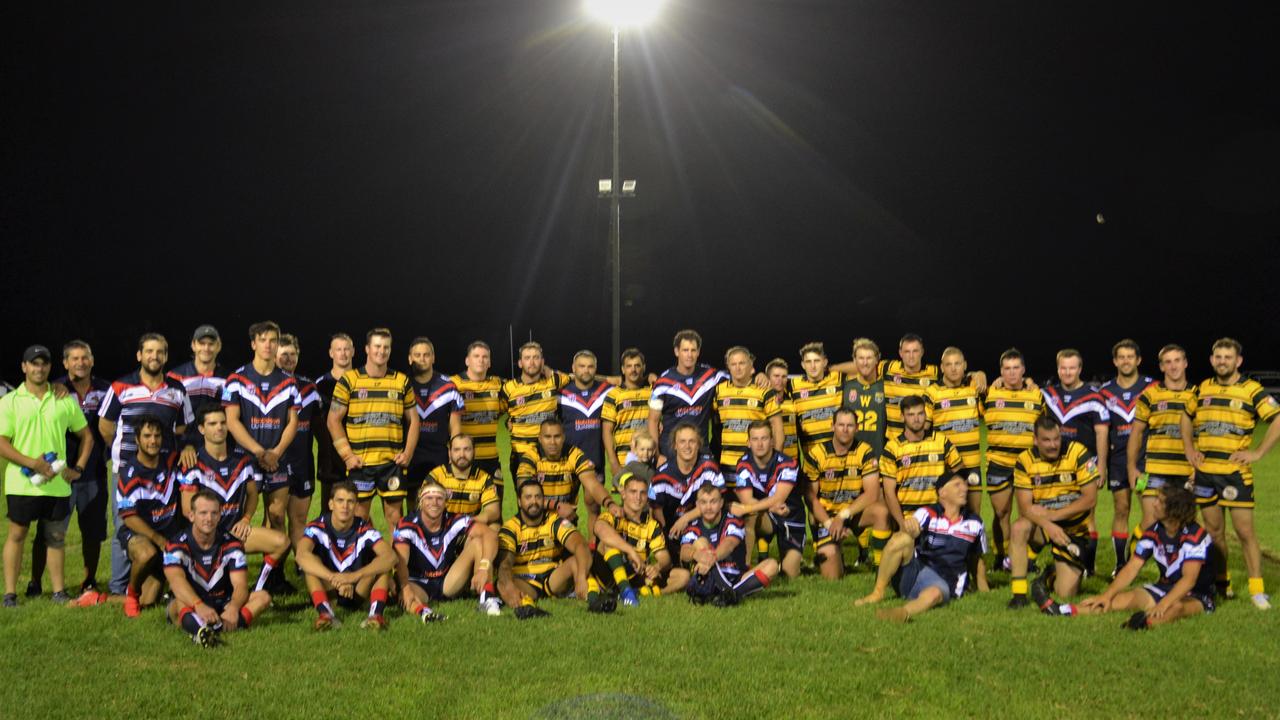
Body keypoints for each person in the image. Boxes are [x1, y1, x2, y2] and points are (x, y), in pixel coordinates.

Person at [1181, 337, 1280, 609]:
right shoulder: (1202, 389)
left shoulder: (1251, 390)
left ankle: (1257, 590)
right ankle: (1222, 585)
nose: (1222, 361)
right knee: (1214, 533)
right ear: (1212, 360)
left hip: (1235, 475)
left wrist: (1258, 452)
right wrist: (1189, 449)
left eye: (1228, 357)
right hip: (1205, 474)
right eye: (1218, 357)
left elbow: (1277, 419)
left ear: (1238, 361)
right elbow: (1186, 417)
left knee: (1245, 532)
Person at [1033, 486, 1217, 629]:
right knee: (1117, 601)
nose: (1154, 504)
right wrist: (1106, 594)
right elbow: (1132, 567)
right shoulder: (1154, 530)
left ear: (1173, 510)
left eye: (1160, 502)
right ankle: (1060, 610)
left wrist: (1164, 604)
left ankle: (1142, 625)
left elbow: (1189, 580)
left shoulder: (1195, 536)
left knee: (1175, 608)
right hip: (1163, 587)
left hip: (1197, 596)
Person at [100, 332, 194, 598]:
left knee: (164, 521)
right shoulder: (121, 386)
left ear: (165, 356)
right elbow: (106, 427)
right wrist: (124, 456)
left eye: (160, 352)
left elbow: (184, 426)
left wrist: (185, 446)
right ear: (139, 355)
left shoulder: (177, 389)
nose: (155, 356)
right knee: (125, 525)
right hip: (127, 469)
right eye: (149, 351)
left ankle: (158, 579)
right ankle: (119, 588)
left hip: (164, 470)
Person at [0, 345, 94, 607]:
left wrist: (79, 468)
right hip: (22, 482)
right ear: (24, 367)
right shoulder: (9, 401)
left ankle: (58, 591)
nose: (38, 368)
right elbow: (2, 443)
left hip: (56, 484)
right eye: (33, 364)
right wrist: (32, 463)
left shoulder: (63, 398)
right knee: (17, 535)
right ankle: (10, 594)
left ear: (50, 368)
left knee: (55, 537)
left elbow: (86, 436)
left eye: (43, 364)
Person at [221, 321, 300, 592]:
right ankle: (226, 572)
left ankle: (270, 579)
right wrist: (257, 451)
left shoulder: (288, 382)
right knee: (239, 518)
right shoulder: (237, 379)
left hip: (278, 459)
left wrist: (276, 452)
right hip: (245, 459)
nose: (268, 345)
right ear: (253, 344)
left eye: (273, 340)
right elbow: (232, 421)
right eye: (263, 340)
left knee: (277, 515)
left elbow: (293, 422)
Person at [178, 406, 289, 594]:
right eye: (212, 424)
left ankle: (259, 588)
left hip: (236, 534)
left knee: (282, 542)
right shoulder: (193, 465)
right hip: (207, 538)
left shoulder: (242, 461)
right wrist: (214, 533)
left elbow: (253, 494)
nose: (219, 428)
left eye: (222, 423)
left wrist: (246, 518)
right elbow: (187, 510)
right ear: (202, 429)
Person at [32, 340, 110, 603]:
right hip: (59, 474)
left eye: (84, 357)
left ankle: (89, 580)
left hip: (94, 472)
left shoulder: (105, 390)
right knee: (49, 531)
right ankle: (35, 581)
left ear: (92, 361)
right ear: (65, 363)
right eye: (74, 358)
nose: (80, 362)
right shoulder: (53, 389)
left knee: (92, 532)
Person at [854, 473, 989, 622]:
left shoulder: (975, 523)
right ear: (942, 492)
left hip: (944, 583)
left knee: (934, 593)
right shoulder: (928, 513)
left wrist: (984, 591)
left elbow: (977, 559)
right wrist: (912, 529)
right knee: (901, 539)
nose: (964, 488)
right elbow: (913, 527)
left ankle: (902, 613)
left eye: (964, 484)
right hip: (915, 573)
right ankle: (878, 593)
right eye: (957, 485)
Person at [326, 327, 419, 526]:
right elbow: (332, 420)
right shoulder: (349, 380)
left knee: (395, 518)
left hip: (391, 463)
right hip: (361, 463)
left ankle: (397, 558)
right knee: (359, 517)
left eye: (386, 347)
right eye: (377, 346)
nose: (381, 351)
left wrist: (408, 453)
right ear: (367, 349)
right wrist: (348, 456)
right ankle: (369, 556)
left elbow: (414, 420)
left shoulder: (401, 381)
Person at [1007, 415, 1099, 609]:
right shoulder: (1025, 460)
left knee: (1065, 593)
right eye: (1046, 440)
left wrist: (1053, 517)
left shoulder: (1077, 452)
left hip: (1073, 529)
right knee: (1019, 527)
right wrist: (1048, 525)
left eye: (1056, 439)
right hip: (1043, 526)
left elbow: (1089, 499)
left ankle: (1046, 576)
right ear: (1035, 440)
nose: (1053, 445)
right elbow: (1025, 507)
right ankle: (1019, 594)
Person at [163, 489, 272, 647]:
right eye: (203, 513)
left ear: (220, 515)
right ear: (191, 516)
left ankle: (213, 628)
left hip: (223, 602)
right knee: (179, 602)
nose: (209, 518)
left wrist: (234, 608)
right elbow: (176, 582)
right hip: (191, 601)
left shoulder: (232, 544)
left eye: (214, 513)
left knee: (263, 597)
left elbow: (240, 585)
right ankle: (200, 631)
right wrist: (199, 605)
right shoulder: (175, 545)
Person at [1041, 348, 1109, 576]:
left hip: (1085, 464)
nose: (1067, 372)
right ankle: (1062, 559)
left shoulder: (1093, 396)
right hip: (1055, 464)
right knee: (1055, 509)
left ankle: (1088, 565)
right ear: (1058, 369)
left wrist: (1101, 467)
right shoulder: (1048, 394)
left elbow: (1101, 433)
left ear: (1080, 369)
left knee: (1086, 515)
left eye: (1072, 368)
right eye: (1063, 367)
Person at [393, 480, 501, 622]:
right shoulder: (406, 524)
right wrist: (405, 587)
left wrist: (484, 567)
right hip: (419, 582)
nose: (434, 503)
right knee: (405, 592)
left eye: (439, 498)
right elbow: (400, 561)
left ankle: (487, 598)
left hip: (448, 581)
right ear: (421, 501)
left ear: (446, 502)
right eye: (429, 498)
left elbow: (490, 535)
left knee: (478, 541)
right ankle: (425, 613)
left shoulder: (454, 519)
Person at [296, 481, 397, 631]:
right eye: (340, 501)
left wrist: (353, 577)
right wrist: (334, 578)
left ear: (356, 506)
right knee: (311, 561)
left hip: (357, 590)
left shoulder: (364, 528)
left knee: (382, 564)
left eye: (350, 502)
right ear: (331, 504)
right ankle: (325, 614)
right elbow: (301, 556)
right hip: (330, 588)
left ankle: (376, 616)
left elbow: (391, 557)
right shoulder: (317, 526)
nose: (345, 506)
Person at [803, 408, 891, 580]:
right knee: (833, 577)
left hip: (852, 513)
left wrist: (843, 516)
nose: (845, 429)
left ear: (857, 428)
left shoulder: (865, 451)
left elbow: (872, 493)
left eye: (850, 425)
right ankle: (834, 552)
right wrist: (830, 523)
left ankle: (881, 568)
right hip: (826, 517)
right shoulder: (816, 453)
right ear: (832, 426)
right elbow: (810, 498)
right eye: (841, 425)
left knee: (881, 512)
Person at [115, 415, 184, 617]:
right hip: (140, 535)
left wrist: (188, 449)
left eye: (157, 436)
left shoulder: (171, 460)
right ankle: (131, 592)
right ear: (137, 440)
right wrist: (158, 540)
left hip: (168, 537)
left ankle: (96, 598)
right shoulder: (129, 473)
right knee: (146, 554)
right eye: (147, 436)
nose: (153, 441)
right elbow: (128, 517)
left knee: (149, 602)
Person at [982, 348, 1043, 570]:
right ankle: (1001, 557)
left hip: (1029, 464)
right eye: (1007, 369)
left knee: (1030, 513)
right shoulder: (990, 394)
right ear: (1001, 372)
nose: (1012, 373)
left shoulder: (1036, 395)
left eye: (1016, 368)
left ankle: (1028, 558)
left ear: (1024, 370)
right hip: (998, 462)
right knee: (1001, 513)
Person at [496, 479, 594, 618]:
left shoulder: (554, 521)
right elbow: (505, 564)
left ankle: (595, 599)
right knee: (504, 582)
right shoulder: (510, 528)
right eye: (528, 497)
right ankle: (528, 608)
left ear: (543, 500)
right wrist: (508, 585)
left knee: (577, 560)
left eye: (538, 497)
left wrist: (581, 576)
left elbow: (580, 544)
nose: (534, 502)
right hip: (525, 581)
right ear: (519, 501)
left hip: (553, 579)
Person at [1098, 339, 1155, 576]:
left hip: (1145, 461)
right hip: (1118, 462)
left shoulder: (1153, 388)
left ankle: (1134, 549)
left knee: (1152, 516)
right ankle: (1120, 564)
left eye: (1130, 356)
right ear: (1115, 361)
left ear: (1138, 360)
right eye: (1121, 357)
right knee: (1121, 509)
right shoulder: (1105, 391)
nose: (1126, 361)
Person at [1127, 344, 1196, 534]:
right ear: (1162, 367)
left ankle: (1179, 562)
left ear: (1185, 363)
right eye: (1168, 362)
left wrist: (1199, 469)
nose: (1173, 366)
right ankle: (1131, 561)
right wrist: (1132, 468)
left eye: (1177, 361)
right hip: (1155, 470)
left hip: (1186, 471)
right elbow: (1136, 434)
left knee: (1185, 523)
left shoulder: (1198, 395)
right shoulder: (1149, 396)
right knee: (1151, 522)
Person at [513, 419, 619, 543]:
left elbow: (593, 485)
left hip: (566, 522)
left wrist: (609, 503)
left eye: (557, 437)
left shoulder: (573, 454)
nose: (552, 442)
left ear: (563, 437)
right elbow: (524, 495)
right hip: (537, 521)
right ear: (540, 438)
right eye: (547, 437)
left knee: (586, 551)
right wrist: (556, 506)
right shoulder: (530, 458)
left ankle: (592, 554)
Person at [678, 483, 779, 607]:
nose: (708, 507)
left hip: (737, 577)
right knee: (701, 542)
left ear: (721, 503)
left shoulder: (733, 520)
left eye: (713, 502)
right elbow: (684, 551)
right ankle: (729, 594)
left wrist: (713, 557)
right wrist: (697, 554)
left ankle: (731, 594)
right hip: (708, 579)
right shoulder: (693, 525)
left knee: (772, 565)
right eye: (703, 502)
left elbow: (729, 543)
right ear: (697, 505)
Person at [275, 333, 322, 584]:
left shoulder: (309, 387)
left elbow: (317, 425)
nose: (288, 359)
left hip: (303, 461)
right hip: (276, 462)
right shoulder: (269, 385)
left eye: (292, 354)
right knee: (274, 517)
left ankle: (301, 563)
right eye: (283, 355)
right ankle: (275, 569)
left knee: (299, 519)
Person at [730, 421, 804, 578]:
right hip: (768, 518)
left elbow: (779, 499)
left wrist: (754, 507)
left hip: (791, 518)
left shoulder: (788, 464)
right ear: (748, 443)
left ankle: (775, 565)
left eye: (764, 438)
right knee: (749, 515)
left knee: (789, 574)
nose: (759, 444)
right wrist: (767, 508)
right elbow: (747, 502)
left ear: (772, 441)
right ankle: (743, 570)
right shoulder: (743, 464)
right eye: (755, 439)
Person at [592, 470, 673, 603]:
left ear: (647, 497)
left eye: (642, 493)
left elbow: (664, 558)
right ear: (623, 494)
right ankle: (626, 591)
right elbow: (599, 528)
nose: (638, 497)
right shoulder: (614, 514)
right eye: (633, 492)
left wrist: (657, 567)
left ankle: (636, 592)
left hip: (634, 574)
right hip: (606, 574)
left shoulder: (651, 525)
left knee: (682, 576)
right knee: (608, 543)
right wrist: (631, 551)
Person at [879, 395, 965, 520]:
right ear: (902, 417)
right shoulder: (892, 449)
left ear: (925, 415)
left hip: (939, 517)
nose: (916, 419)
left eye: (920, 413)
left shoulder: (940, 441)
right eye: (911, 415)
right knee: (900, 540)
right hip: (909, 518)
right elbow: (889, 493)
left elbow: (959, 470)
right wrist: (902, 524)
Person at [647, 329, 728, 460]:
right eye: (685, 350)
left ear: (698, 352)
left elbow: (739, 375)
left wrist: (760, 376)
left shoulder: (710, 377)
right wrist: (657, 456)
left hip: (701, 453)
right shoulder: (663, 382)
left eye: (693, 350)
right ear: (676, 352)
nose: (689, 355)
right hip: (670, 453)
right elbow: (653, 420)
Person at [924, 347, 983, 507]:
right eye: (949, 364)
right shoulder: (932, 392)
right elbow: (924, 429)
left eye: (957, 363)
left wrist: (979, 374)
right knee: (948, 514)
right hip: (946, 465)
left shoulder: (974, 388)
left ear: (965, 365)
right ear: (942, 367)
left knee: (973, 514)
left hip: (972, 464)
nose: (954, 368)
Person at [450, 341, 508, 502]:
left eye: (485, 357)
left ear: (489, 362)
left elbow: (517, 403)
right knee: (465, 512)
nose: (481, 360)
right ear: (467, 361)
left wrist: (510, 420)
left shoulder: (498, 385)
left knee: (496, 509)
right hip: (464, 459)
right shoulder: (453, 384)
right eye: (476, 356)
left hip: (491, 459)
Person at [649, 423, 727, 538]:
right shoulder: (662, 475)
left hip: (703, 526)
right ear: (675, 445)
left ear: (698, 445)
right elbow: (656, 509)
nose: (687, 446)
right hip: (672, 530)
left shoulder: (709, 467)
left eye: (692, 441)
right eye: (682, 441)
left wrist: (686, 518)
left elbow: (718, 502)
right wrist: (666, 534)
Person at [502, 341, 569, 472]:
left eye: (536, 357)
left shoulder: (553, 381)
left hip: (548, 452)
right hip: (521, 453)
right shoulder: (508, 389)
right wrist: (507, 422)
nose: (531, 362)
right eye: (527, 358)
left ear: (542, 362)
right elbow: (496, 412)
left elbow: (577, 378)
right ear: (520, 363)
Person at [711, 346, 783, 469]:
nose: (738, 368)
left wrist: (775, 461)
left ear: (751, 366)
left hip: (757, 464)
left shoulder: (764, 391)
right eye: (733, 364)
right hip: (727, 463)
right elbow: (715, 422)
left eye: (742, 363)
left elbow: (777, 428)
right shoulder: (719, 391)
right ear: (728, 367)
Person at [167, 324, 227, 450]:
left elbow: (229, 415)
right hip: (180, 448)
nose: (206, 348)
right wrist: (184, 445)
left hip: (215, 448)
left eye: (211, 344)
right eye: (202, 343)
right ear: (193, 345)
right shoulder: (174, 377)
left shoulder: (228, 380)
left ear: (218, 346)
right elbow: (170, 416)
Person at [313, 333, 355, 508]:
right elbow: (315, 422)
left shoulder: (361, 381)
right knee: (328, 508)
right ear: (331, 353)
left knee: (359, 508)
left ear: (353, 351)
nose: (343, 353)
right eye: (339, 349)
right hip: (330, 456)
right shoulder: (320, 385)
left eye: (346, 349)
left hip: (358, 453)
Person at [426, 434, 501, 526]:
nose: (462, 455)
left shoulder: (483, 478)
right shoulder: (436, 476)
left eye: (467, 449)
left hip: (470, 527)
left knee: (495, 526)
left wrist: (467, 523)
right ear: (449, 453)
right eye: (457, 450)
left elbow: (493, 511)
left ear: (474, 452)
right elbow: (425, 509)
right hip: (442, 528)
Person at [602, 348, 654, 481]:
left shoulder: (652, 393)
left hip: (649, 458)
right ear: (623, 369)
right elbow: (606, 431)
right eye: (629, 366)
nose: (633, 370)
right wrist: (613, 462)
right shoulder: (614, 395)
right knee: (626, 498)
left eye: (637, 365)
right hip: (624, 460)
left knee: (651, 498)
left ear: (644, 367)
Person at [839, 338, 888, 461]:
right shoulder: (844, 386)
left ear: (877, 359)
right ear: (854, 360)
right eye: (861, 358)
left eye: (869, 358)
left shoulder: (887, 386)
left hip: (879, 458)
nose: (865, 363)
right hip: (850, 460)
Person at [763, 358, 799, 460]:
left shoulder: (792, 400)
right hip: (770, 461)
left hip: (792, 460)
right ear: (768, 378)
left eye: (784, 377)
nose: (780, 380)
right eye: (776, 376)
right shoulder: (762, 402)